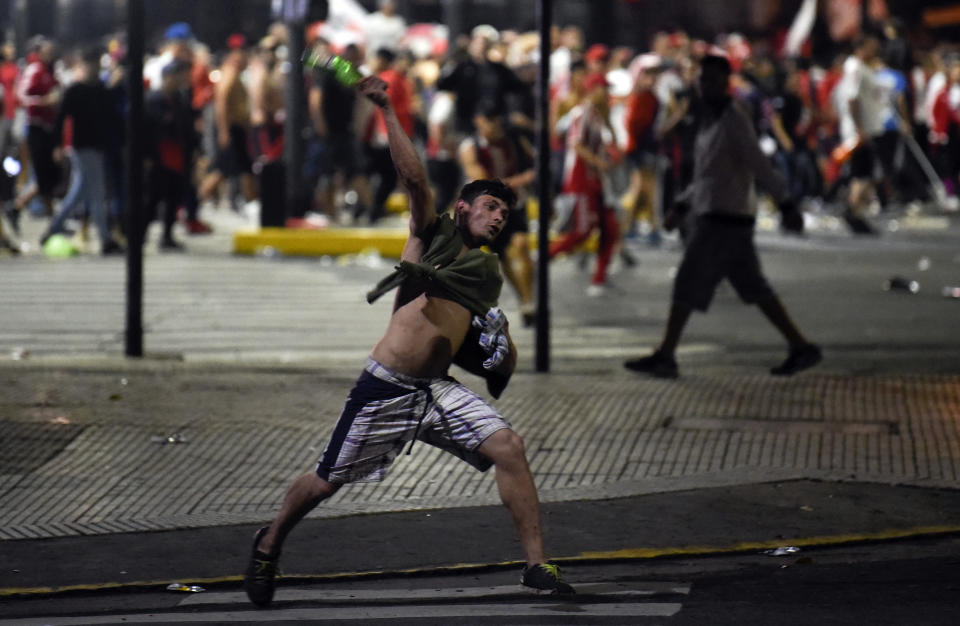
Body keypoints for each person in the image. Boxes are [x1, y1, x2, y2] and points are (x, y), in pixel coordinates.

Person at [243, 75, 574, 607]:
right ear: (464, 207)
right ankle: (269, 543)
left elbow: (499, 372)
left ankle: (536, 566)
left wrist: (504, 343)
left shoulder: (487, 275)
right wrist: (389, 111)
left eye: (504, 213)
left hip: (437, 392)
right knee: (327, 481)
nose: (497, 217)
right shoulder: (432, 233)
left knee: (509, 446)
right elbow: (414, 178)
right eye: (490, 206)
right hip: (387, 387)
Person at [624, 55, 820, 379]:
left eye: (713, 80)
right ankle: (801, 346)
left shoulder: (732, 118)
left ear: (726, 83)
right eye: (703, 80)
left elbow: (759, 164)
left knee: (688, 281)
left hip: (725, 218)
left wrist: (786, 203)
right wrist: (683, 205)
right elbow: (708, 174)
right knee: (753, 287)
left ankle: (666, 355)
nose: (706, 86)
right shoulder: (710, 119)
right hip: (721, 214)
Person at [458, 102, 537, 325]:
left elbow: (535, 163)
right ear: (479, 122)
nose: (493, 127)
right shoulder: (470, 146)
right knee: (501, 257)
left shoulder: (513, 141)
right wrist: (520, 180)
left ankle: (528, 299)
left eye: (496, 122)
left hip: (513, 206)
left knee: (521, 246)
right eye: (488, 122)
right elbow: (483, 181)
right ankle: (523, 298)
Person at [40, 47, 123, 255]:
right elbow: (60, 120)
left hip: (97, 147)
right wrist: (57, 145)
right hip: (82, 147)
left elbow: (112, 120)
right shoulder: (75, 90)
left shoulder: (102, 90)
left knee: (80, 192)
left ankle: (53, 228)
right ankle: (105, 239)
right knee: (96, 193)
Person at [549, 71, 621, 296]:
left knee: (611, 230)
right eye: (603, 88)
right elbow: (576, 145)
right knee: (581, 231)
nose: (607, 93)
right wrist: (600, 162)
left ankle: (599, 279)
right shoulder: (582, 113)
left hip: (597, 182)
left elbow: (613, 142)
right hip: (581, 181)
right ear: (593, 89)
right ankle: (543, 259)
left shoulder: (599, 115)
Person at [15, 36, 60, 218]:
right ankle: (18, 206)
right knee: (42, 174)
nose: (50, 54)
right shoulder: (34, 69)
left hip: (47, 127)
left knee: (49, 174)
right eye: (46, 51)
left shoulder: (48, 70)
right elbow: (21, 96)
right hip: (36, 127)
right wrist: (43, 102)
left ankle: (51, 217)